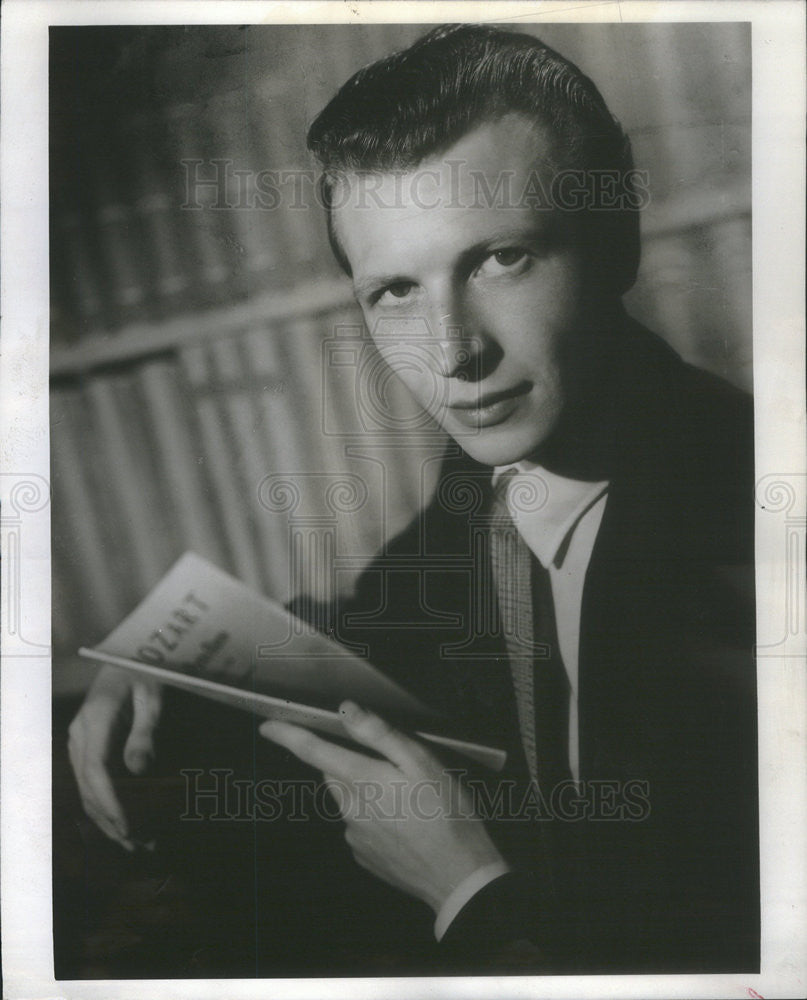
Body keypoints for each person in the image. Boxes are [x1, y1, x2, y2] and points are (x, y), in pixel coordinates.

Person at [68, 24, 758, 973]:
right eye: (393, 289)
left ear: (617, 241)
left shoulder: (754, 544)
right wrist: (164, 663)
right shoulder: (482, 486)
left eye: (501, 259)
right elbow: (382, 629)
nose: (451, 352)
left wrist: (469, 895)